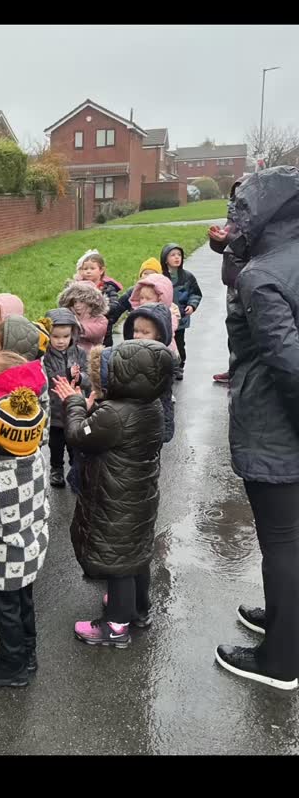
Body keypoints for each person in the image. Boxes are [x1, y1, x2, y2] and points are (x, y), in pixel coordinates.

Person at [216, 165, 299, 691]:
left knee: (282, 544)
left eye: (241, 211)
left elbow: (288, 364)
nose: (234, 222)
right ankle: (285, 620)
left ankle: (281, 660)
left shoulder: (261, 275)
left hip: (275, 429)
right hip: (283, 426)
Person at [53, 339, 172, 647]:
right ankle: (137, 608)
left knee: (118, 560)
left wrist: (75, 403)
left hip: (114, 497)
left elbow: (78, 435)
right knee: (135, 554)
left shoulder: (114, 415)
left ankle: (116, 627)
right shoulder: (152, 406)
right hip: (139, 496)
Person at [0, 388, 49, 687]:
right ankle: (29, 654)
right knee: (24, 604)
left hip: (2, 562)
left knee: (5, 614)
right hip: (31, 551)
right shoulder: (37, 459)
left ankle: (12, 667)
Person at [39, 309, 91, 488]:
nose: (61, 341)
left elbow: (89, 376)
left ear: (73, 334)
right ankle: (56, 469)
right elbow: (44, 378)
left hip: (75, 409)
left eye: (66, 336)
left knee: (75, 443)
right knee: (56, 444)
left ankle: (76, 468)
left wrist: (80, 378)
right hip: (54, 410)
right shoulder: (45, 356)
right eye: (55, 336)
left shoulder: (80, 353)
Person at [207, 175, 249, 384]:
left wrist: (229, 238)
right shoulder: (233, 217)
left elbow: (251, 245)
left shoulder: (256, 218)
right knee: (234, 329)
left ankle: (246, 374)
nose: (237, 197)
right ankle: (235, 369)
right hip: (232, 280)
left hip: (249, 281)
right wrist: (217, 239)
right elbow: (226, 247)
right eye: (235, 193)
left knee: (249, 330)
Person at [123, 303, 177, 443]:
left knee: (152, 447)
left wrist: (166, 425)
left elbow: (164, 395)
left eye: (145, 332)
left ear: (159, 335)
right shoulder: (125, 354)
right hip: (130, 415)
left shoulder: (164, 359)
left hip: (154, 416)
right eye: (135, 331)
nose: (138, 336)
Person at [160, 244, 203, 380]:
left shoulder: (187, 277)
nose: (177, 257)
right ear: (165, 259)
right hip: (164, 317)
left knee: (179, 343)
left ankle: (179, 366)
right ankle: (164, 366)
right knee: (164, 341)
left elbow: (195, 293)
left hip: (181, 318)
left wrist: (192, 305)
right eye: (172, 255)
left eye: (179, 255)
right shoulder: (161, 277)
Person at [72, 249, 123, 346]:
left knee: (104, 350)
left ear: (101, 270)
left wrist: (99, 309)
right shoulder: (78, 287)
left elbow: (114, 304)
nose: (88, 271)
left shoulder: (108, 288)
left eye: (92, 268)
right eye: (85, 269)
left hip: (104, 328)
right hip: (83, 326)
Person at [127, 273, 180, 355]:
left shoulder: (169, 315)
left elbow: (169, 330)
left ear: (160, 299)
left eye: (148, 298)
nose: (143, 301)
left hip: (164, 352)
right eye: (141, 298)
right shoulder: (137, 314)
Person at [57, 280, 109, 353]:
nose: (77, 305)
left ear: (91, 302)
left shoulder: (100, 319)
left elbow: (96, 333)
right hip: (68, 353)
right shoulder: (68, 316)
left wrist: (77, 326)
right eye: (75, 302)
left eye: (81, 301)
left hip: (90, 354)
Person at [109, 256, 163, 326]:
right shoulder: (133, 291)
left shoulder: (160, 292)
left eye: (152, 274)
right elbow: (120, 306)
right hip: (134, 325)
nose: (148, 276)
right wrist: (110, 321)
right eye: (145, 273)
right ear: (140, 276)